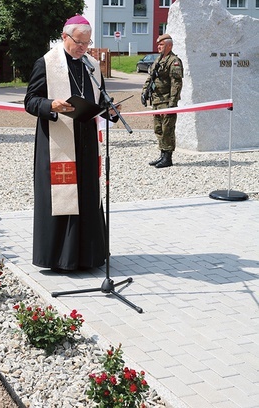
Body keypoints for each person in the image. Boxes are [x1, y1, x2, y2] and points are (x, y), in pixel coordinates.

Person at [24, 15, 119, 272]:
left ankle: (89, 255)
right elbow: (30, 101)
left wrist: (109, 111)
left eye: (87, 43)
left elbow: (101, 98)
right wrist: (50, 105)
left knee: (87, 195)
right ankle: (59, 258)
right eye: (79, 42)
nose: (83, 48)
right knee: (63, 196)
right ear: (65, 36)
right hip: (57, 141)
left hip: (86, 140)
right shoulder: (45, 63)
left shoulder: (91, 65)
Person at [141, 33, 183, 168]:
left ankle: (168, 157)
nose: (159, 46)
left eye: (161, 44)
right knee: (158, 129)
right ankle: (162, 154)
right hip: (157, 101)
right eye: (158, 44)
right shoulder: (158, 60)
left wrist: (172, 103)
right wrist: (144, 92)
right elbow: (150, 78)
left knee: (167, 129)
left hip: (166, 101)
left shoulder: (173, 61)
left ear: (169, 46)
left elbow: (176, 83)